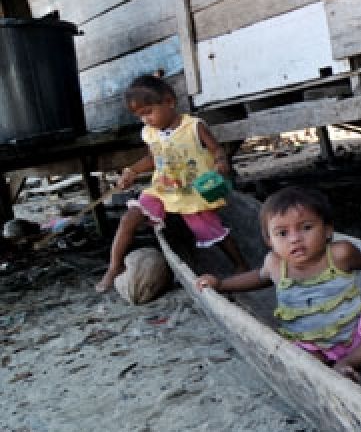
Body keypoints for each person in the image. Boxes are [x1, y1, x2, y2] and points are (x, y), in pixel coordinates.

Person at [196, 185, 361, 381]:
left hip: (355, 331)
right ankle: (329, 369)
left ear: (327, 230)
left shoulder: (340, 254)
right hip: (309, 345)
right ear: (269, 240)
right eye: (282, 233)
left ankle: (348, 362)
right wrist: (221, 285)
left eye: (306, 227)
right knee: (298, 361)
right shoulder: (276, 264)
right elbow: (257, 278)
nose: (295, 239)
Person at [97, 75, 248, 292]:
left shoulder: (193, 127)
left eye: (148, 112)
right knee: (130, 216)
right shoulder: (150, 133)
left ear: (169, 102)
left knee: (210, 230)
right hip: (163, 188)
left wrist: (221, 161)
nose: (145, 120)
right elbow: (152, 158)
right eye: (140, 116)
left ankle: (240, 264)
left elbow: (216, 149)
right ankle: (114, 266)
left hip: (193, 190)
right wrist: (131, 171)